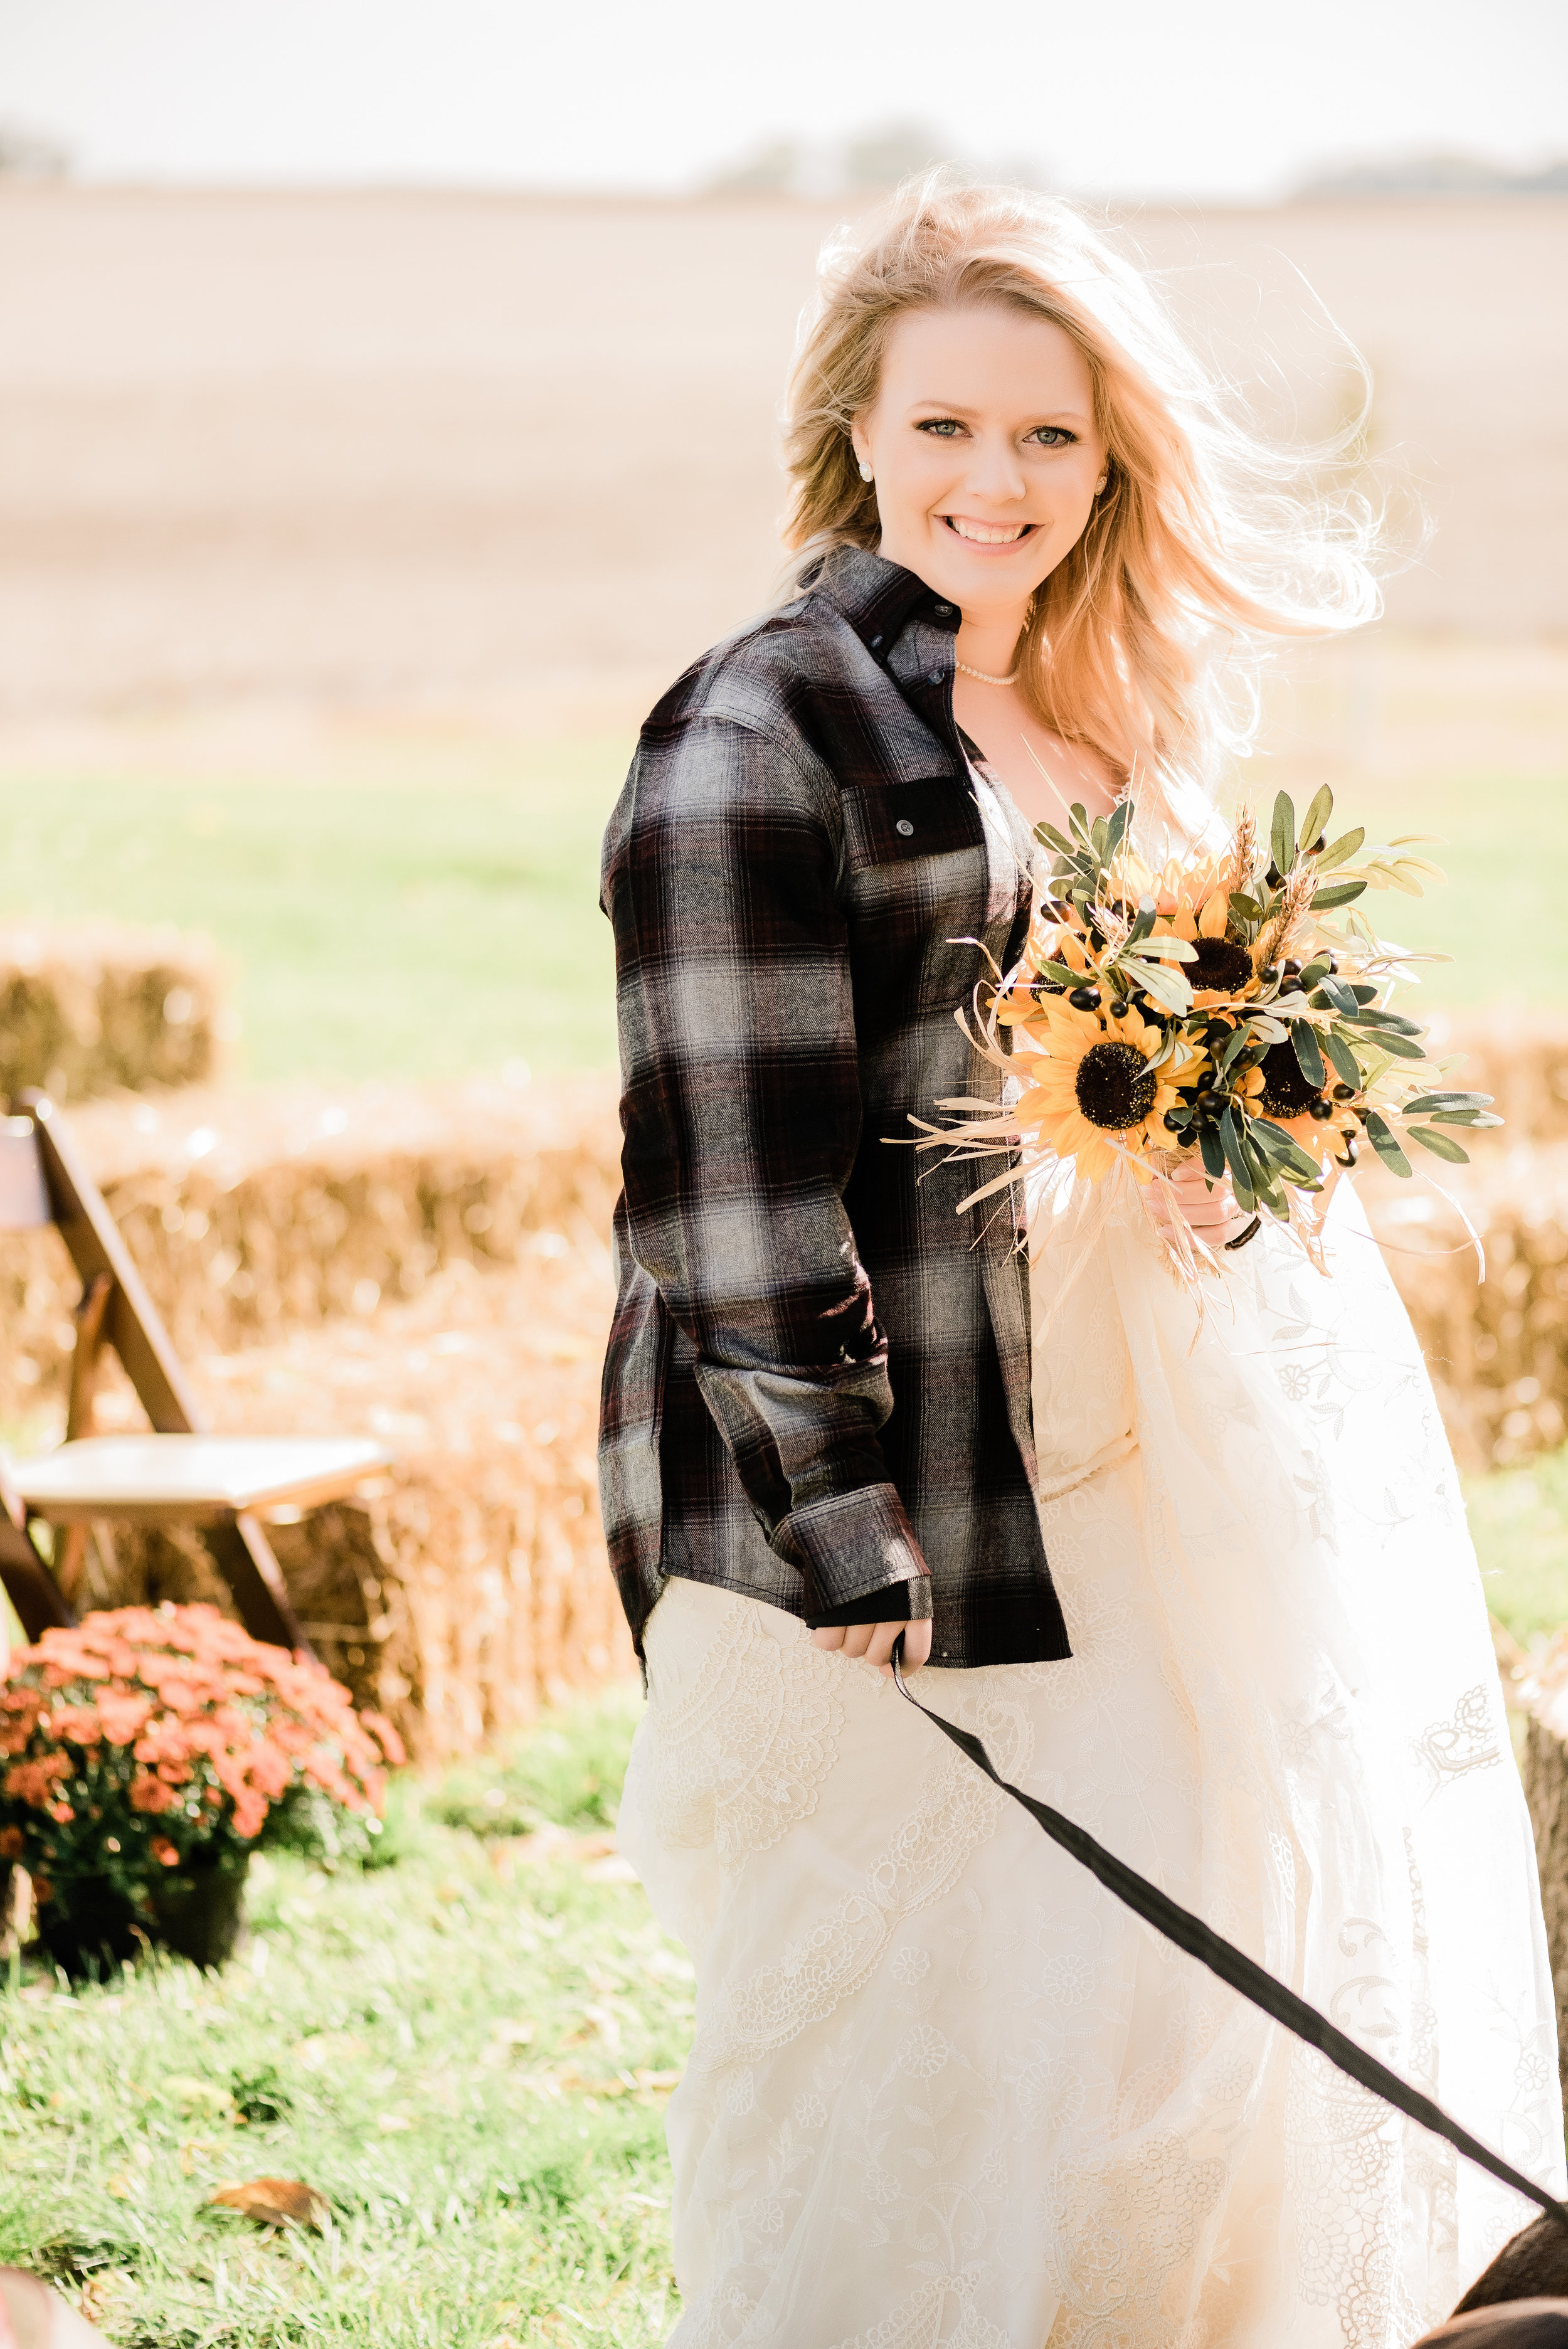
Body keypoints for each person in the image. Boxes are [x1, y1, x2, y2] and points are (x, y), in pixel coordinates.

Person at [600, 177, 1563, 2346]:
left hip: (1164, 1446)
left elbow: (1137, 1051)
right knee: (925, 1991)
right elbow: (718, 1186)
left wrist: (1240, 1133)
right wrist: (841, 1525)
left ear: (1112, 455)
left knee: (1176, 1965)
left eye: (1045, 435)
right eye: (943, 428)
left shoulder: (1112, 709)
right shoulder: (757, 735)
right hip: (919, 1481)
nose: (992, 481)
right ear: (854, 428)